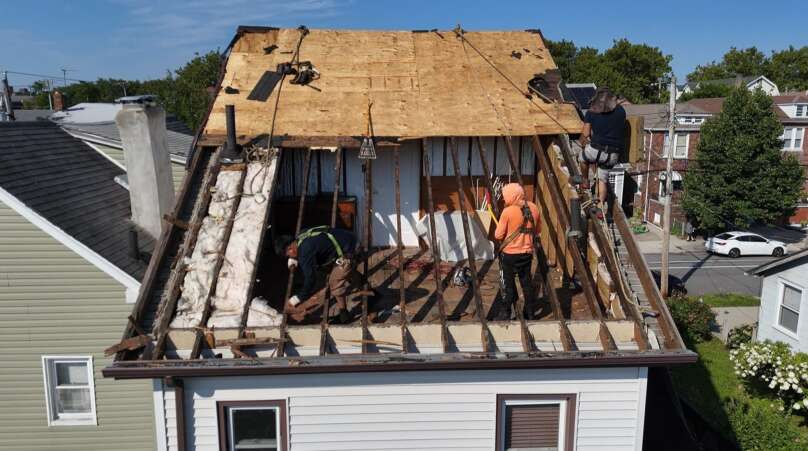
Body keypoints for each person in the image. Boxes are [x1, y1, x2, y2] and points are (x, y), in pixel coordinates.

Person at [275, 226, 359, 324]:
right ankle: (367, 288)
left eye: (288, 256)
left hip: (350, 251)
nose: (289, 257)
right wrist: (293, 259)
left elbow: (311, 280)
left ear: (290, 249)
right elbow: (315, 245)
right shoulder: (302, 235)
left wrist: (296, 299)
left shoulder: (305, 252)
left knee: (334, 282)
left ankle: (344, 316)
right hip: (350, 239)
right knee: (339, 271)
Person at [493, 183, 540, 321]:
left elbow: (498, 235)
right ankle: (530, 313)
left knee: (508, 284)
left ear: (511, 196)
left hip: (509, 256)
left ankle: (506, 313)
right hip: (527, 254)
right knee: (526, 283)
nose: (503, 199)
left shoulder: (507, 212)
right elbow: (538, 231)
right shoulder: (534, 208)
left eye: (505, 196)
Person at [577, 87, 626, 213]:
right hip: (613, 155)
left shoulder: (591, 112)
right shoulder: (621, 111)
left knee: (582, 158)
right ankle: (600, 208)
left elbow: (586, 133)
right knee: (603, 179)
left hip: (596, 150)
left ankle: (585, 181)